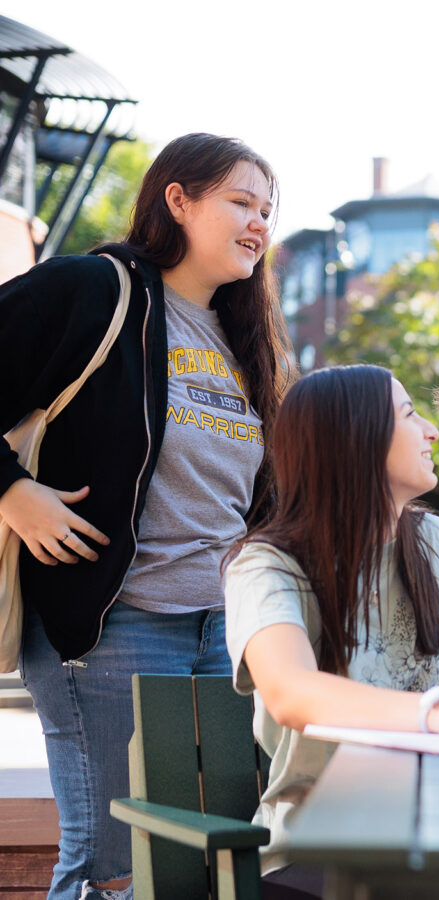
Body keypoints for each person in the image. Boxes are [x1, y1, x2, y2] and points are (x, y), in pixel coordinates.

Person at [0, 133, 293, 900]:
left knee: (207, 866)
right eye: (241, 201)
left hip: (224, 634)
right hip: (116, 630)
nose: (259, 223)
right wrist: (10, 488)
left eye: (267, 209)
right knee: (115, 874)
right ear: (178, 200)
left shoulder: (245, 340)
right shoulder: (92, 291)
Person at [224, 365, 439, 891]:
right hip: (318, 847)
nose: (432, 430)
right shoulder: (266, 566)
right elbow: (289, 691)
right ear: (356, 438)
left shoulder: (435, 541)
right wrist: (438, 715)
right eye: (410, 414)